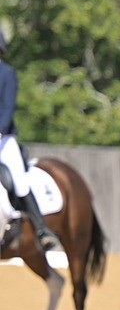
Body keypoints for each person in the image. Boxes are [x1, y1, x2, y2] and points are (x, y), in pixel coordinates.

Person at [0, 32, 57, 252]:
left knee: (19, 181)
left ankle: (41, 229)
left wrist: (0, 131)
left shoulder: (7, 73)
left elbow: (8, 107)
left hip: (4, 141)